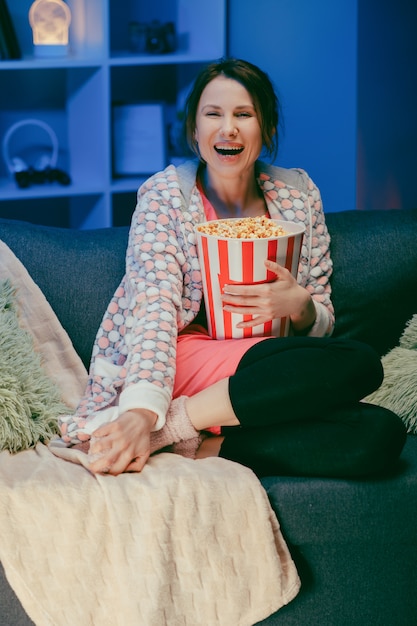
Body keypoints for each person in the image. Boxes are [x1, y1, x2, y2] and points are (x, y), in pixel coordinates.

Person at [59, 58, 406, 478]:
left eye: (244, 114)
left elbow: (321, 315)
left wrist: (301, 305)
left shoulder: (297, 195)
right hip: (178, 361)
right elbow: (154, 307)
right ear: (194, 131)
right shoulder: (165, 197)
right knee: (360, 362)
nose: (229, 128)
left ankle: (200, 443)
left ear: (268, 128)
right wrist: (139, 414)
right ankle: (168, 424)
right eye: (213, 115)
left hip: (271, 374)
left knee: (379, 434)